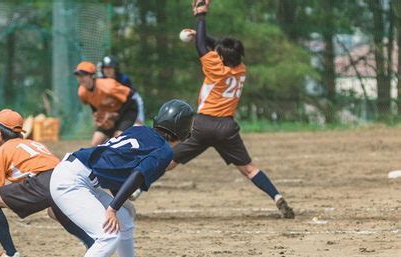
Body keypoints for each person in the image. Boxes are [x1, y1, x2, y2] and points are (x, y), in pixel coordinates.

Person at [50, 100, 193, 257]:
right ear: (182, 130)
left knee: (124, 218)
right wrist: (112, 207)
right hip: (71, 182)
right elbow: (136, 175)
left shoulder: (141, 129)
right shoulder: (165, 151)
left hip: (78, 172)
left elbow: (119, 167)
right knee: (108, 235)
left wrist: (120, 205)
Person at [168, 0, 295, 218]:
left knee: (169, 161)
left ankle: (135, 191)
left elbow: (202, 48)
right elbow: (217, 46)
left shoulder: (215, 69)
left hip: (202, 125)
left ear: (221, 57)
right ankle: (276, 197)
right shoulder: (240, 68)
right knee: (249, 169)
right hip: (226, 127)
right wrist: (199, 35)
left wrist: (201, 17)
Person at [0, 109, 94, 257]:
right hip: (65, 178)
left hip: (43, 182)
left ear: (0, 132)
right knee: (54, 210)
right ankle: (93, 245)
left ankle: (10, 254)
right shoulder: (34, 144)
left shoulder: (2, 150)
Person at [74, 61, 139, 146]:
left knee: (118, 139)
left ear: (92, 76)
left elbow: (130, 96)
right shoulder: (81, 92)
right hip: (108, 116)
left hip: (127, 111)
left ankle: (135, 130)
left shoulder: (108, 86)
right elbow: (92, 103)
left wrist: (116, 115)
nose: (80, 78)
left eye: (84, 75)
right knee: (95, 143)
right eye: (78, 75)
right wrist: (97, 116)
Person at [100, 55, 146, 124]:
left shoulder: (123, 80)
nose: (107, 70)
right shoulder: (100, 81)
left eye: (110, 68)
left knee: (137, 126)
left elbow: (129, 100)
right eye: (105, 68)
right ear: (102, 69)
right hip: (116, 105)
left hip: (132, 102)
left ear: (115, 69)